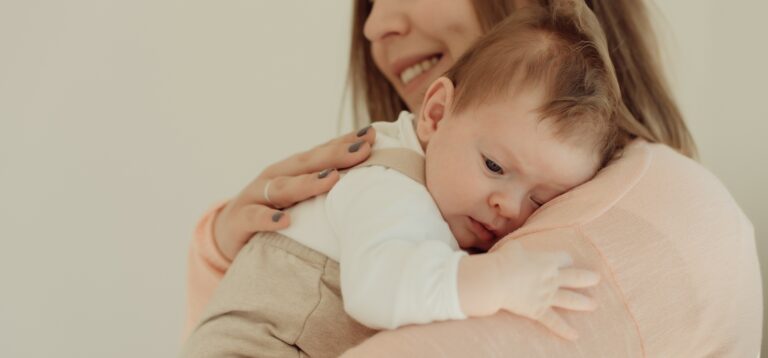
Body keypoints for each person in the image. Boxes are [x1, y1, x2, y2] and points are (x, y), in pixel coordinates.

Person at [184, 0, 762, 356]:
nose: (375, 25)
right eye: (494, 167)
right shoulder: (392, 185)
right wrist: (218, 246)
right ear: (435, 115)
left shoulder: (651, 209)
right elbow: (378, 287)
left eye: (541, 199)